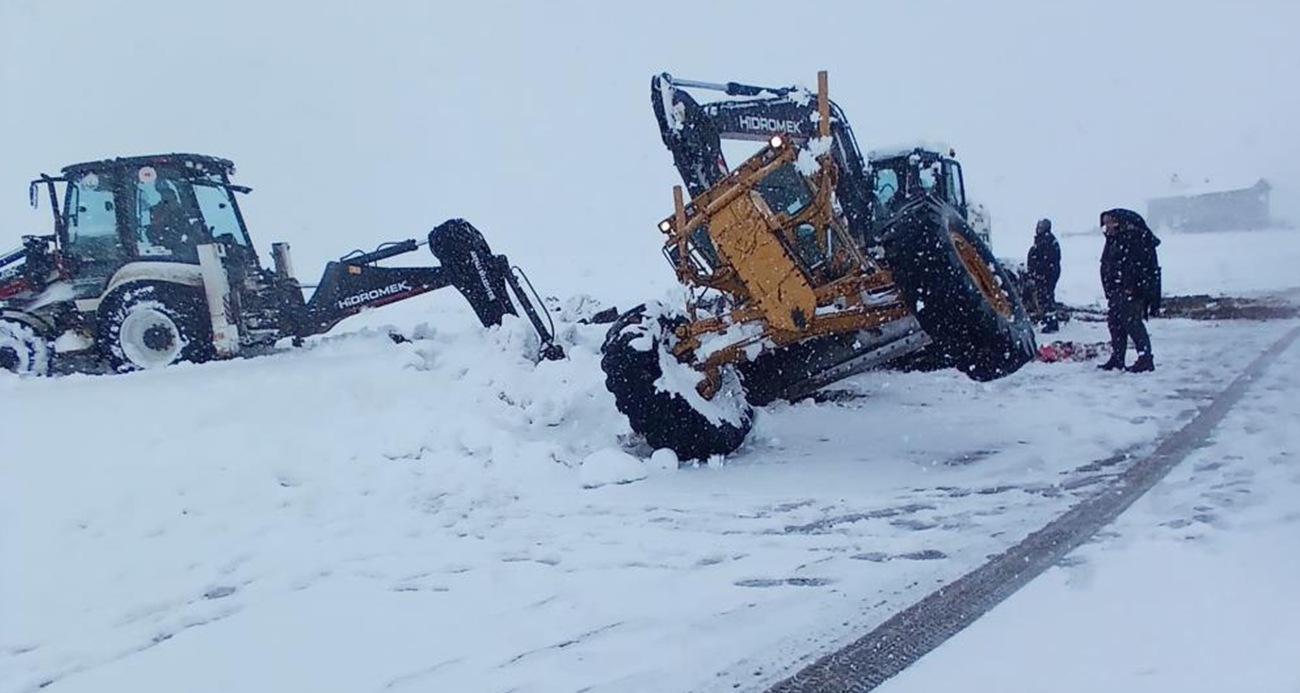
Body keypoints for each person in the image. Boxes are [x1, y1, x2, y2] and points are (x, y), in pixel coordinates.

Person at [1097, 208, 1162, 372]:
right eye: (1104, 224)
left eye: (1109, 222)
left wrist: (1132, 287)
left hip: (1131, 291)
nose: (1106, 227)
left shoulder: (1134, 239)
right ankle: (1118, 358)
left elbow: (1139, 267)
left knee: (1133, 324)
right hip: (1116, 290)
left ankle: (1145, 358)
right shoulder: (1114, 239)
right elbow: (1108, 263)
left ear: (1118, 222)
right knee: (1115, 323)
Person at [1026, 218, 1061, 333]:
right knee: (1044, 299)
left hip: (1046, 276)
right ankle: (1048, 321)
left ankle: (1051, 323)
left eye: (1040, 227)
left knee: (1047, 299)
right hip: (1042, 276)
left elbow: (1049, 261)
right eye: (1038, 226)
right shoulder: (1042, 241)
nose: (1038, 229)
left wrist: (1041, 274)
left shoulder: (1048, 242)